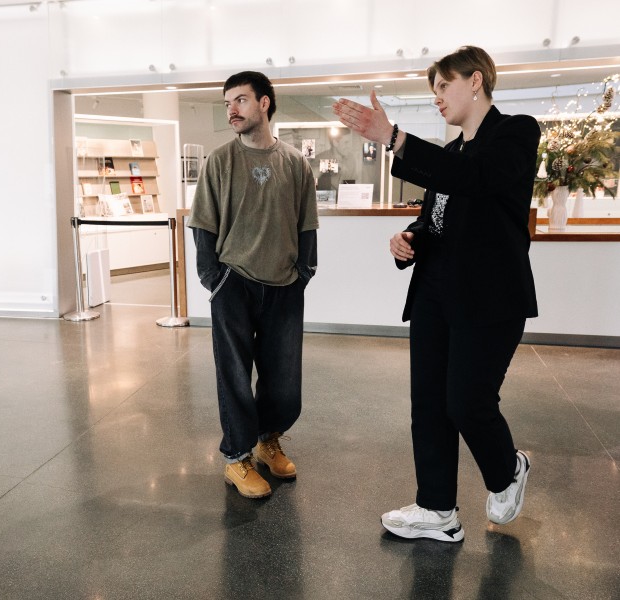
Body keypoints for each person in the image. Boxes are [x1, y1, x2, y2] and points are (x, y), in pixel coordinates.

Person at [332, 46, 539, 541]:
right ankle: (437, 509)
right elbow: (437, 219)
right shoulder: (450, 155)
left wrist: (395, 138)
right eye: (434, 90)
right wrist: (411, 237)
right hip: (434, 290)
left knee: (467, 402)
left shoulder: (516, 132)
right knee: (428, 403)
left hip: (489, 297)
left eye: (444, 85)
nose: (437, 97)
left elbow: (478, 180)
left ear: (476, 80)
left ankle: (507, 469)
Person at [188, 71, 319, 499]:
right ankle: (236, 457)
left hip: (284, 286)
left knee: (284, 379)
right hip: (234, 283)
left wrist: (304, 273)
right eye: (227, 102)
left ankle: (267, 441)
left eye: (241, 100)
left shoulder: (295, 162)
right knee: (234, 376)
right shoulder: (219, 161)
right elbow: (203, 225)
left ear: (264, 103)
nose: (232, 109)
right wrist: (215, 280)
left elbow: (307, 224)